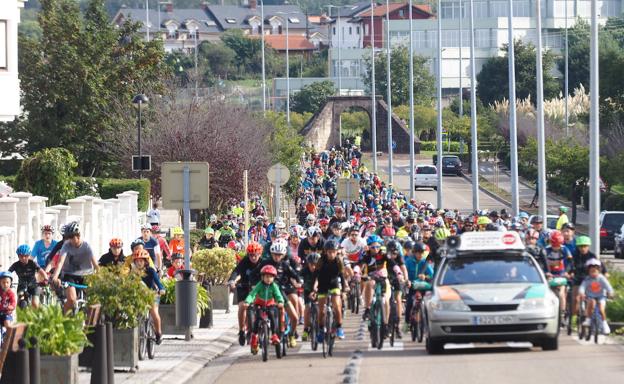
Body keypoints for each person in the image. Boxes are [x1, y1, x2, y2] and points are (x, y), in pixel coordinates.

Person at [51, 222, 99, 314]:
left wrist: (100, 277)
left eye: (72, 237)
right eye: (69, 238)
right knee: (72, 299)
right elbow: (60, 262)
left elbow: (96, 265)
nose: (71, 240)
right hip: (70, 275)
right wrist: (55, 276)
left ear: (78, 235)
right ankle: (65, 320)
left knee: (93, 300)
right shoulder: (66, 245)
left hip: (86, 275)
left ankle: (89, 323)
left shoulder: (87, 246)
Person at [227, 241, 263, 346]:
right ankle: (242, 330)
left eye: (255, 255)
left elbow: (270, 272)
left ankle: (264, 326)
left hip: (258, 288)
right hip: (244, 287)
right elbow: (236, 271)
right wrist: (232, 281)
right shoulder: (244, 261)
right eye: (251, 255)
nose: (253, 257)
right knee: (242, 306)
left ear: (259, 254)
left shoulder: (263, 262)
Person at [244, 265, 285, 354]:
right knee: (258, 318)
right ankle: (254, 336)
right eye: (266, 276)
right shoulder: (259, 285)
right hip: (259, 304)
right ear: (262, 277)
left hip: (270, 305)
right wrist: (247, 301)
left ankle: (274, 335)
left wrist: (280, 301)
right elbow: (252, 294)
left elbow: (278, 295)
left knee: (273, 317)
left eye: (270, 277)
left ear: (274, 278)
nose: (268, 279)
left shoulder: (274, 286)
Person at [314, 240, 348, 342]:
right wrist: (313, 287)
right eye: (329, 252)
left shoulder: (338, 261)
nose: (332, 254)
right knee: (321, 311)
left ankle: (339, 327)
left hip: (334, 284)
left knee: (337, 306)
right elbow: (315, 275)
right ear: (325, 252)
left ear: (337, 251)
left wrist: (344, 291)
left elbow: (342, 276)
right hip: (322, 285)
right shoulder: (321, 260)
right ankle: (320, 329)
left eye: (334, 251)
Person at [132, 250, 165, 344]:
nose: (139, 263)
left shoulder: (150, 270)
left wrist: (161, 289)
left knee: (154, 313)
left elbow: (158, 282)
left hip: (152, 294)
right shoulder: (134, 272)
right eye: (137, 261)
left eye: (141, 261)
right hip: (140, 295)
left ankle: (158, 333)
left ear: (145, 261)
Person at [579, 259, 614, 334]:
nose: (593, 273)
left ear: (599, 271)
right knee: (591, 303)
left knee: (601, 309)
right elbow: (582, 287)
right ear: (588, 272)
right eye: (591, 271)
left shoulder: (601, 278)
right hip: (590, 296)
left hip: (601, 296)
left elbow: (608, 286)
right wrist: (582, 293)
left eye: (595, 271)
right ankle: (588, 319)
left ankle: (604, 324)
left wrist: (610, 293)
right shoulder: (587, 279)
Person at [300, 252, 320, 342]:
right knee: (307, 308)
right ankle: (305, 330)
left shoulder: (321, 270)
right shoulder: (304, 270)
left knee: (321, 308)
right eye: (311, 265)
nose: (313, 267)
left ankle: (321, 326)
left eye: (315, 265)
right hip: (307, 290)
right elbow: (299, 279)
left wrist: (316, 291)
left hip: (319, 290)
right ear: (308, 264)